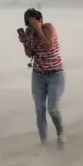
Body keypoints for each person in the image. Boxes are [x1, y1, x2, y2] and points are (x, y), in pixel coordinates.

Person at [19, 8, 66, 145]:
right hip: (38, 75)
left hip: (56, 75)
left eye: (34, 22)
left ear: (40, 20)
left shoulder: (48, 28)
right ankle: (43, 143)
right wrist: (25, 42)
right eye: (29, 24)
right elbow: (29, 54)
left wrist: (38, 30)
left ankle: (60, 133)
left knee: (52, 108)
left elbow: (48, 47)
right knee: (39, 109)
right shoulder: (29, 32)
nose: (31, 26)